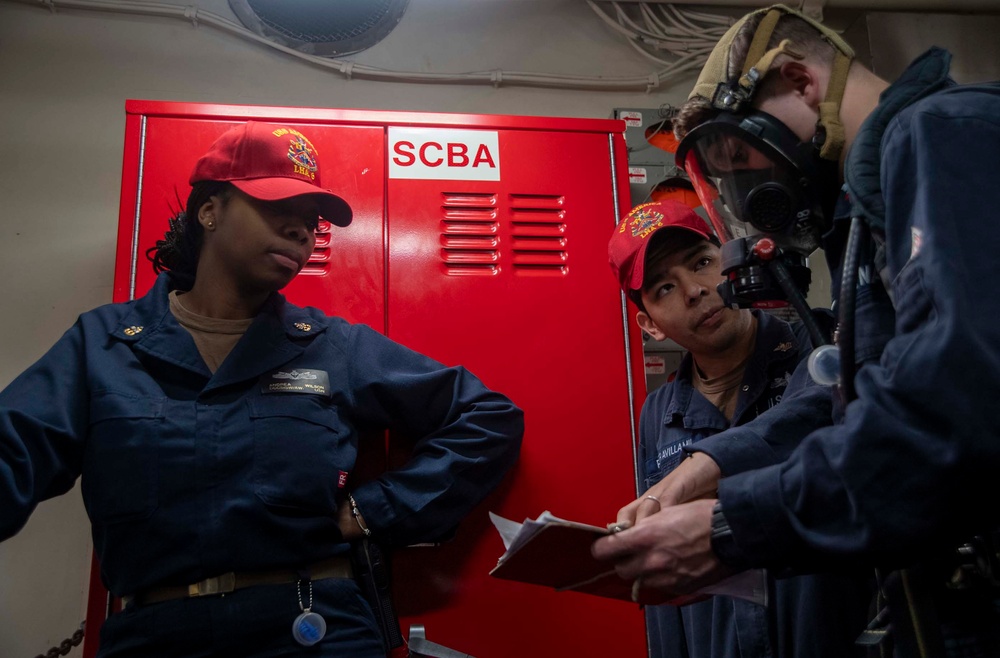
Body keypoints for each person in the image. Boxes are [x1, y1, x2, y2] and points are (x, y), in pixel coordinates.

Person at [0, 121, 524, 657]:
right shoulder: (103, 344)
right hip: (154, 638)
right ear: (210, 210)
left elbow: (486, 417)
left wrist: (378, 510)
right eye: (279, 207)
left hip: (314, 630)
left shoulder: (332, 347)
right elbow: (12, 450)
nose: (302, 231)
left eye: (310, 222)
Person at [593, 4, 1000, 654]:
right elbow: (853, 401)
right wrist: (709, 465)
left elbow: (951, 410)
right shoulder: (867, 215)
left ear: (800, 80)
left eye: (739, 153)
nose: (745, 183)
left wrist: (735, 528)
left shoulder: (940, 137)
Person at [608, 199, 870, 658]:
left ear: (730, 263)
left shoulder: (821, 343)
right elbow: (663, 579)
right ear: (649, 325)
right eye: (664, 288)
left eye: (703, 263)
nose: (694, 291)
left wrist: (702, 467)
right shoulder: (659, 411)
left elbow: (814, 416)